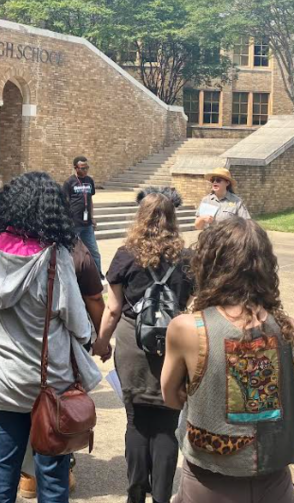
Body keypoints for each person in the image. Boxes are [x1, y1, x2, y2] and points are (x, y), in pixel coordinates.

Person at [0, 171, 101, 503]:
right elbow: (79, 325)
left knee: (2, 472)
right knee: (53, 477)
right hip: (50, 384)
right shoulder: (55, 257)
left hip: (1, 379)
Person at [161, 218, 294, 503]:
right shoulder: (290, 330)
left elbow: (171, 398)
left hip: (209, 480)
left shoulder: (187, 328)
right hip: (274, 482)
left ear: (209, 265)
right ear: (265, 267)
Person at [98, 192, 194, 503]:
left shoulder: (125, 255)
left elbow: (113, 308)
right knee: (167, 423)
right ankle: (163, 496)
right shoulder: (187, 259)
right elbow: (191, 306)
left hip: (132, 342)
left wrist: (101, 342)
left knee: (136, 420)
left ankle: (135, 494)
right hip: (174, 343)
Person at [62, 155, 102, 275]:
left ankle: (98, 274)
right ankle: (70, 275)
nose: (85, 170)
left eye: (87, 168)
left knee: (94, 251)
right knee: (72, 251)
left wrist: (93, 217)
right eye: (82, 168)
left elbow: (90, 201)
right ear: (76, 168)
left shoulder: (89, 181)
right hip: (74, 224)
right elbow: (65, 203)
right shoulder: (69, 182)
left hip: (87, 224)